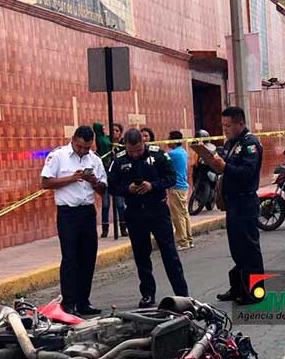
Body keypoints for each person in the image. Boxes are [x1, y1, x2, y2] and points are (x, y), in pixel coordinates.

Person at [108, 128, 188, 308]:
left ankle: (182, 293)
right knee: (141, 256)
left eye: (138, 150)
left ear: (143, 143)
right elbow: (111, 186)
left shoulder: (157, 155)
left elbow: (171, 178)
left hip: (158, 210)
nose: (135, 154)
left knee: (170, 254)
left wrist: (152, 186)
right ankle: (147, 294)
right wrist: (127, 189)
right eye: (131, 151)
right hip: (135, 213)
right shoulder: (119, 160)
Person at [194, 106, 264, 304]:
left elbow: (246, 173)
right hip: (232, 202)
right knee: (237, 247)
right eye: (223, 125)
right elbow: (224, 166)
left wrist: (225, 167)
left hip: (245, 200)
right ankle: (238, 288)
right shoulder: (231, 143)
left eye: (229, 125)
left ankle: (254, 293)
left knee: (249, 247)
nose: (225, 129)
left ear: (240, 123)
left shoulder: (250, 144)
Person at [41, 125, 107, 316]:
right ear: (73, 140)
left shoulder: (94, 159)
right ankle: (69, 303)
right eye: (79, 147)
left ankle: (83, 301)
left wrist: (93, 181)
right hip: (68, 213)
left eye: (86, 148)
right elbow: (45, 183)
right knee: (70, 258)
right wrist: (71, 178)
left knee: (88, 257)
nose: (83, 151)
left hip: (87, 212)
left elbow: (103, 190)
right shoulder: (58, 156)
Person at [166, 131, 194, 250]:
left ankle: (183, 242)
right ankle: (189, 239)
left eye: (169, 139)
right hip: (183, 186)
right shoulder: (183, 152)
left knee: (177, 216)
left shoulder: (172, 154)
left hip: (176, 187)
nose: (167, 141)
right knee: (184, 214)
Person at [93, 122, 114, 239]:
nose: (104, 129)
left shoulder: (106, 138)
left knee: (119, 202)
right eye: (103, 128)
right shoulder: (99, 139)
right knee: (105, 203)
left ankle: (122, 226)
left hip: (111, 169)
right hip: (104, 170)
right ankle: (105, 228)